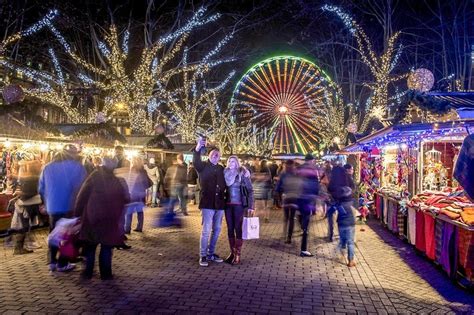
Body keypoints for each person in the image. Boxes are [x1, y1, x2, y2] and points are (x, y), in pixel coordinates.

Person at [74, 157, 130, 280]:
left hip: (92, 217)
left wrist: (77, 213)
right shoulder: (116, 180)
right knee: (106, 246)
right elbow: (125, 199)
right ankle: (106, 274)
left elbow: (82, 195)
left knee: (90, 246)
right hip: (109, 219)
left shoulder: (94, 176)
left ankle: (87, 272)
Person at [39, 144, 87, 272]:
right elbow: (82, 188)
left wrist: (46, 201)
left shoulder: (47, 167)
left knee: (54, 234)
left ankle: (52, 262)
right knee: (68, 236)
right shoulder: (78, 167)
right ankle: (62, 263)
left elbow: (41, 188)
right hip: (70, 206)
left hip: (52, 207)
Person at [194, 138, 226, 267]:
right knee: (206, 230)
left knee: (217, 230)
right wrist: (197, 148)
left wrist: (244, 172)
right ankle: (203, 255)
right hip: (207, 202)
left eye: (217, 155)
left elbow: (232, 175)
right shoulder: (202, 166)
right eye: (213, 154)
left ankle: (211, 252)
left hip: (220, 204)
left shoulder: (221, 168)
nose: (215, 156)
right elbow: (196, 160)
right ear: (209, 155)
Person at [223, 156, 254, 265]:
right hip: (228, 205)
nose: (231, 163)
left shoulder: (242, 173)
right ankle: (232, 253)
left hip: (239, 205)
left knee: (238, 229)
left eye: (233, 161)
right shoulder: (225, 173)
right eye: (229, 161)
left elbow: (250, 190)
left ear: (237, 163)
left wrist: (251, 206)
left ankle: (238, 255)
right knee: (230, 229)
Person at [327, 165, 357, 267]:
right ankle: (350, 260)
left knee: (343, 238)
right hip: (350, 218)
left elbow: (332, 204)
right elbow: (352, 193)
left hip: (340, 219)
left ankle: (341, 249)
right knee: (351, 241)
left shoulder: (334, 190)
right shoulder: (348, 188)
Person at [117, 156, 152, 234]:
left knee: (129, 211)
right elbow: (146, 182)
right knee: (139, 210)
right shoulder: (143, 170)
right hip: (141, 193)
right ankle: (139, 227)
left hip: (133, 192)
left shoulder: (133, 169)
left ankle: (127, 228)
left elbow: (130, 181)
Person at [296, 153, 320, 257]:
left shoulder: (299, 169)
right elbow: (315, 185)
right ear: (311, 160)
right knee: (306, 224)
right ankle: (303, 249)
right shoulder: (313, 170)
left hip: (298, 197)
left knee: (302, 216)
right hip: (307, 198)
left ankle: (301, 223)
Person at [275, 160, 302, 244]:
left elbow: (278, 187)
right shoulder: (297, 173)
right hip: (295, 198)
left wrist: (278, 196)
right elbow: (301, 185)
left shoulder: (283, 174)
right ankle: (289, 237)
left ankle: (285, 234)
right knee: (291, 218)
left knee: (286, 217)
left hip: (286, 197)